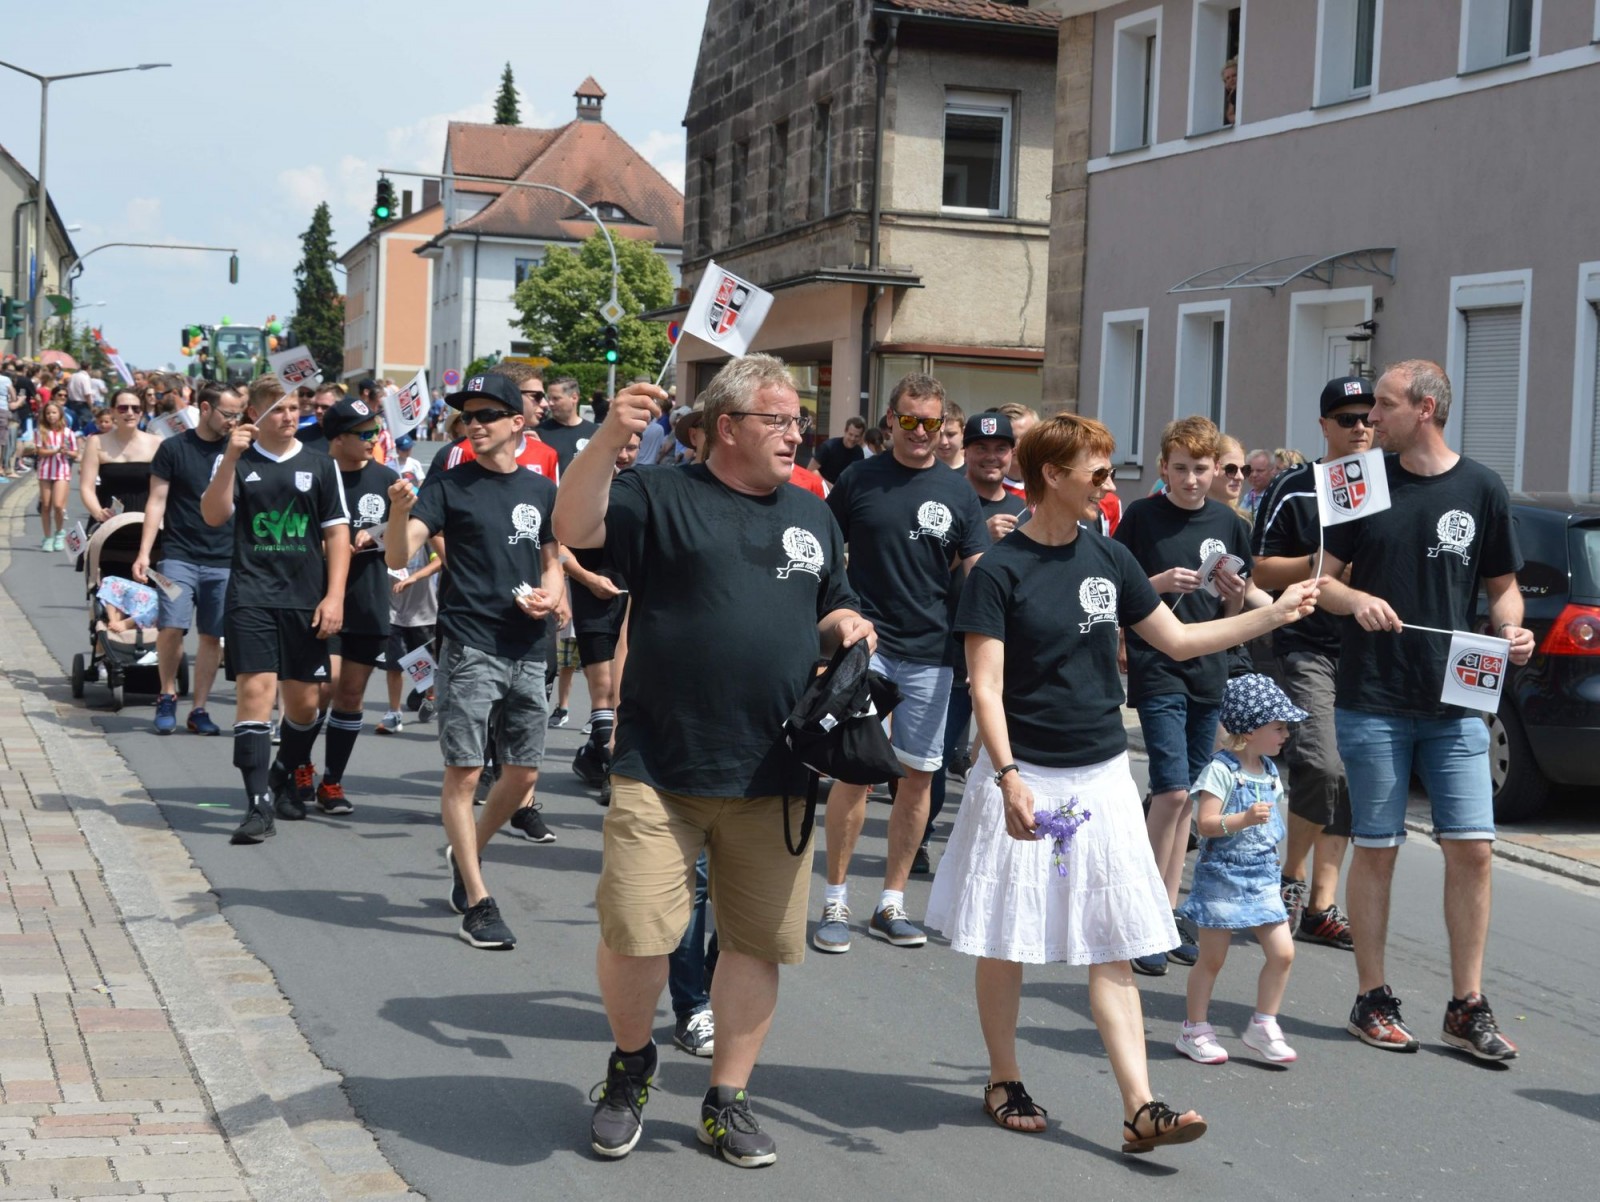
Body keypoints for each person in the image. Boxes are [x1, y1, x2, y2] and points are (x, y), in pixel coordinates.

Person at [925, 413, 1321, 1150]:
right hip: (1025, 773)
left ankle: (1141, 1105)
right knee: (1007, 938)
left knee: (1109, 941)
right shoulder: (999, 571)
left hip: (1101, 774)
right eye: (1098, 473)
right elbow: (986, 687)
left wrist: (1273, 617)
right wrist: (1007, 776)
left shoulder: (1109, 557)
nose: (1109, 485)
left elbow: (1178, 639)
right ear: (1053, 476)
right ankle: (1005, 1078)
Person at [555, 356, 871, 1167]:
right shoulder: (660, 495)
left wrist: (844, 625)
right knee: (637, 933)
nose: (796, 433)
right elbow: (576, 526)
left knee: (756, 944)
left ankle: (726, 1099)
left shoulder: (814, 513)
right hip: (662, 765)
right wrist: (608, 436)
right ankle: (631, 1067)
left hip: (777, 769)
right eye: (778, 420)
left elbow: (830, 599)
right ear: (726, 427)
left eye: (799, 420)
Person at [1315, 359, 1532, 1060]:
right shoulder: (1358, 479)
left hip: (1458, 700)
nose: (1370, 419)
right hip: (1373, 696)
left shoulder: (1483, 486)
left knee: (1473, 849)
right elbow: (1323, 584)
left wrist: (1513, 629)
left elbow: (1503, 587)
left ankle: (1466, 1006)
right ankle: (1371, 999)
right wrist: (1357, 599)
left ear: (1425, 409)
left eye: (1383, 405)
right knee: (1377, 848)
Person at [384, 372, 565, 949]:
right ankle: (479, 903)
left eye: (487, 415)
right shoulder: (447, 485)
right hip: (469, 645)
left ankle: (466, 856)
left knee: (523, 774)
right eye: (468, 416)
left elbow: (552, 560)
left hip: (528, 645)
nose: (475, 424)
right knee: (464, 773)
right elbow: (396, 552)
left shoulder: (541, 489)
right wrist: (398, 512)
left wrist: (552, 596)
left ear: (517, 422)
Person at [818, 374, 987, 952]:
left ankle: (891, 903)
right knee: (856, 773)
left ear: (943, 425)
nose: (920, 432)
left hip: (931, 653)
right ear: (890, 419)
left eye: (931, 422)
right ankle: (835, 898)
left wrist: (989, 647)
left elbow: (979, 574)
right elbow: (825, 552)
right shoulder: (858, 479)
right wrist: (829, 625)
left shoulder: (959, 492)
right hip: (865, 646)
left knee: (917, 777)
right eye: (909, 420)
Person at [1114, 416, 1258, 977]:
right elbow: (1117, 590)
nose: (1192, 479)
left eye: (1201, 469)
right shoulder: (1142, 516)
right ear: (1163, 468)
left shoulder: (1229, 522)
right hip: (1157, 664)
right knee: (1171, 791)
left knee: (1191, 796)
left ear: (1215, 469)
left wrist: (1233, 594)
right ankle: (1143, 913)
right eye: (1181, 469)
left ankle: (1168, 909)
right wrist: (1158, 584)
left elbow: (1233, 610)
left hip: (1209, 669)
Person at [1249, 376, 1374, 949]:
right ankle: (1290, 876)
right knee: (1322, 765)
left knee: (1351, 773)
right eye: (1347, 419)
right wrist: (1321, 564)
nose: (1360, 428)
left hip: (1371, 649)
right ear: (1324, 425)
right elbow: (1261, 569)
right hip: (1308, 644)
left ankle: (1323, 904)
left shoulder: (1388, 483)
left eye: (1368, 417)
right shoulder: (1295, 486)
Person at [200, 375, 349, 844]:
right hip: (251, 595)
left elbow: (336, 534)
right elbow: (213, 515)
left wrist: (335, 596)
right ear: (255, 415)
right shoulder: (237, 460)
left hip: (305, 598)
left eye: (294, 408)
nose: (289, 416)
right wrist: (230, 458)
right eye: (278, 409)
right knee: (255, 694)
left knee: (305, 704)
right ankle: (257, 805)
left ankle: (282, 773)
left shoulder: (321, 464)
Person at [1175, 674, 1306, 1066]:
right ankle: (1194, 1029)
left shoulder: (1269, 770)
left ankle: (1263, 1024)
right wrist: (1244, 819)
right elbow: (1207, 823)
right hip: (1223, 877)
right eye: (1278, 727)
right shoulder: (1221, 770)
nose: (1286, 734)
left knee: (1283, 953)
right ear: (1249, 731)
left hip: (1262, 876)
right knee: (1212, 959)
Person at [921, 410, 1030, 873]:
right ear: (966, 451)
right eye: (981, 448)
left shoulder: (1028, 507)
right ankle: (920, 836)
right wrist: (978, 538)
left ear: (1012, 453)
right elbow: (924, 575)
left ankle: (984, 848)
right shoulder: (950, 498)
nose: (991, 457)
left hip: (1009, 655)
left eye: (1000, 448)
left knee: (1002, 761)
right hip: (948, 647)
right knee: (937, 754)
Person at [134, 384, 246, 736]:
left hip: (224, 558)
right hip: (178, 556)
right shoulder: (173, 448)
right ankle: (167, 695)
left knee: (212, 635)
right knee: (171, 625)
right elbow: (156, 501)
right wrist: (144, 552)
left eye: (238, 414)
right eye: (228, 414)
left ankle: (199, 708)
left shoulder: (239, 450)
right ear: (205, 409)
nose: (233, 421)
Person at [313, 397, 400, 815]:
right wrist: (328, 546)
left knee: (350, 694)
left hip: (368, 598)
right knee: (320, 690)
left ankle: (331, 782)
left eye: (376, 431)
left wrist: (379, 531)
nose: (373, 439)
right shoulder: (314, 473)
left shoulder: (386, 477)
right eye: (364, 433)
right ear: (338, 438)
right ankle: (297, 766)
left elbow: (406, 531)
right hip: (319, 599)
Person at [564, 433, 640, 798]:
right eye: (619, 446)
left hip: (631, 600)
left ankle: (595, 755)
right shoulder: (582, 486)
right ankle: (610, 769)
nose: (624, 454)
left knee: (624, 689)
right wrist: (588, 579)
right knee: (603, 688)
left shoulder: (641, 490)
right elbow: (556, 545)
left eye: (632, 448)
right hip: (592, 597)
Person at [428, 364, 557, 480]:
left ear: (517, 422)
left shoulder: (547, 454)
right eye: (536, 396)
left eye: (486, 415)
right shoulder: (461, 451)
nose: (545, 404)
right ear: (512, 394)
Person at [80, 389, 161, 523]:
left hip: (146, 518)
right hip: (108, 518)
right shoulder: (96, 442)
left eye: (135, 408)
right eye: (123, 408)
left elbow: (164, 490)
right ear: (112, 411)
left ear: (141, 412)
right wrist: (98, 512)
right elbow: (86, 487)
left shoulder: (157, 443)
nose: (130, 413)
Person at [34, 401, 78, 550]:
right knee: (46, 505)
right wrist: (56, 450)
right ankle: (47, 537)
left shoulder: (68, 433)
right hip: (45, 470)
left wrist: (67, 452)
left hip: (62, 470)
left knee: (58, 505)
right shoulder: (41, 432)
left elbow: (75, 453)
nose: (51, 415)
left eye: (53, 412)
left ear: (60, 414)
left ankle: (59, 532)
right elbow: (40, 452)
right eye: (48, 413)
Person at [538, 376, 598, 474]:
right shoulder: (540, 433)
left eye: (556, 398)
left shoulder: (595, 432)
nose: (550, 403)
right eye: (549, 398)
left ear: (574, 398)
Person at [1208, 434, 1249, 523]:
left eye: (1244, 469)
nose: (1240, 477)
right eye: (1231, 469)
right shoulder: (1187, 520)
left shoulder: (1243, 522)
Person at [813, 415, 866, 484]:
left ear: (861, 437)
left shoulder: (859, 452)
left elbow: (858, 475)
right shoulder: (829, 447)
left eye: (856, 436)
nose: (852, 438)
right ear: (845, 431)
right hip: (823, 488)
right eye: (850, 434)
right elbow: (811, 470)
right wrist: (830, 487)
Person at [935, 401, 965, 470]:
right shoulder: (920, 471)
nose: (943, 442)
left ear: (963, 433)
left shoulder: (973, 472)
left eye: (950, 434)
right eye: (939, 434)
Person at [1243, 448, 1274, 515]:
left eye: (1259, 471)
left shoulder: (1273, 498)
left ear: (1271, 471)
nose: (1254, 475)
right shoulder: (1247, 497)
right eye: (1251, 471)